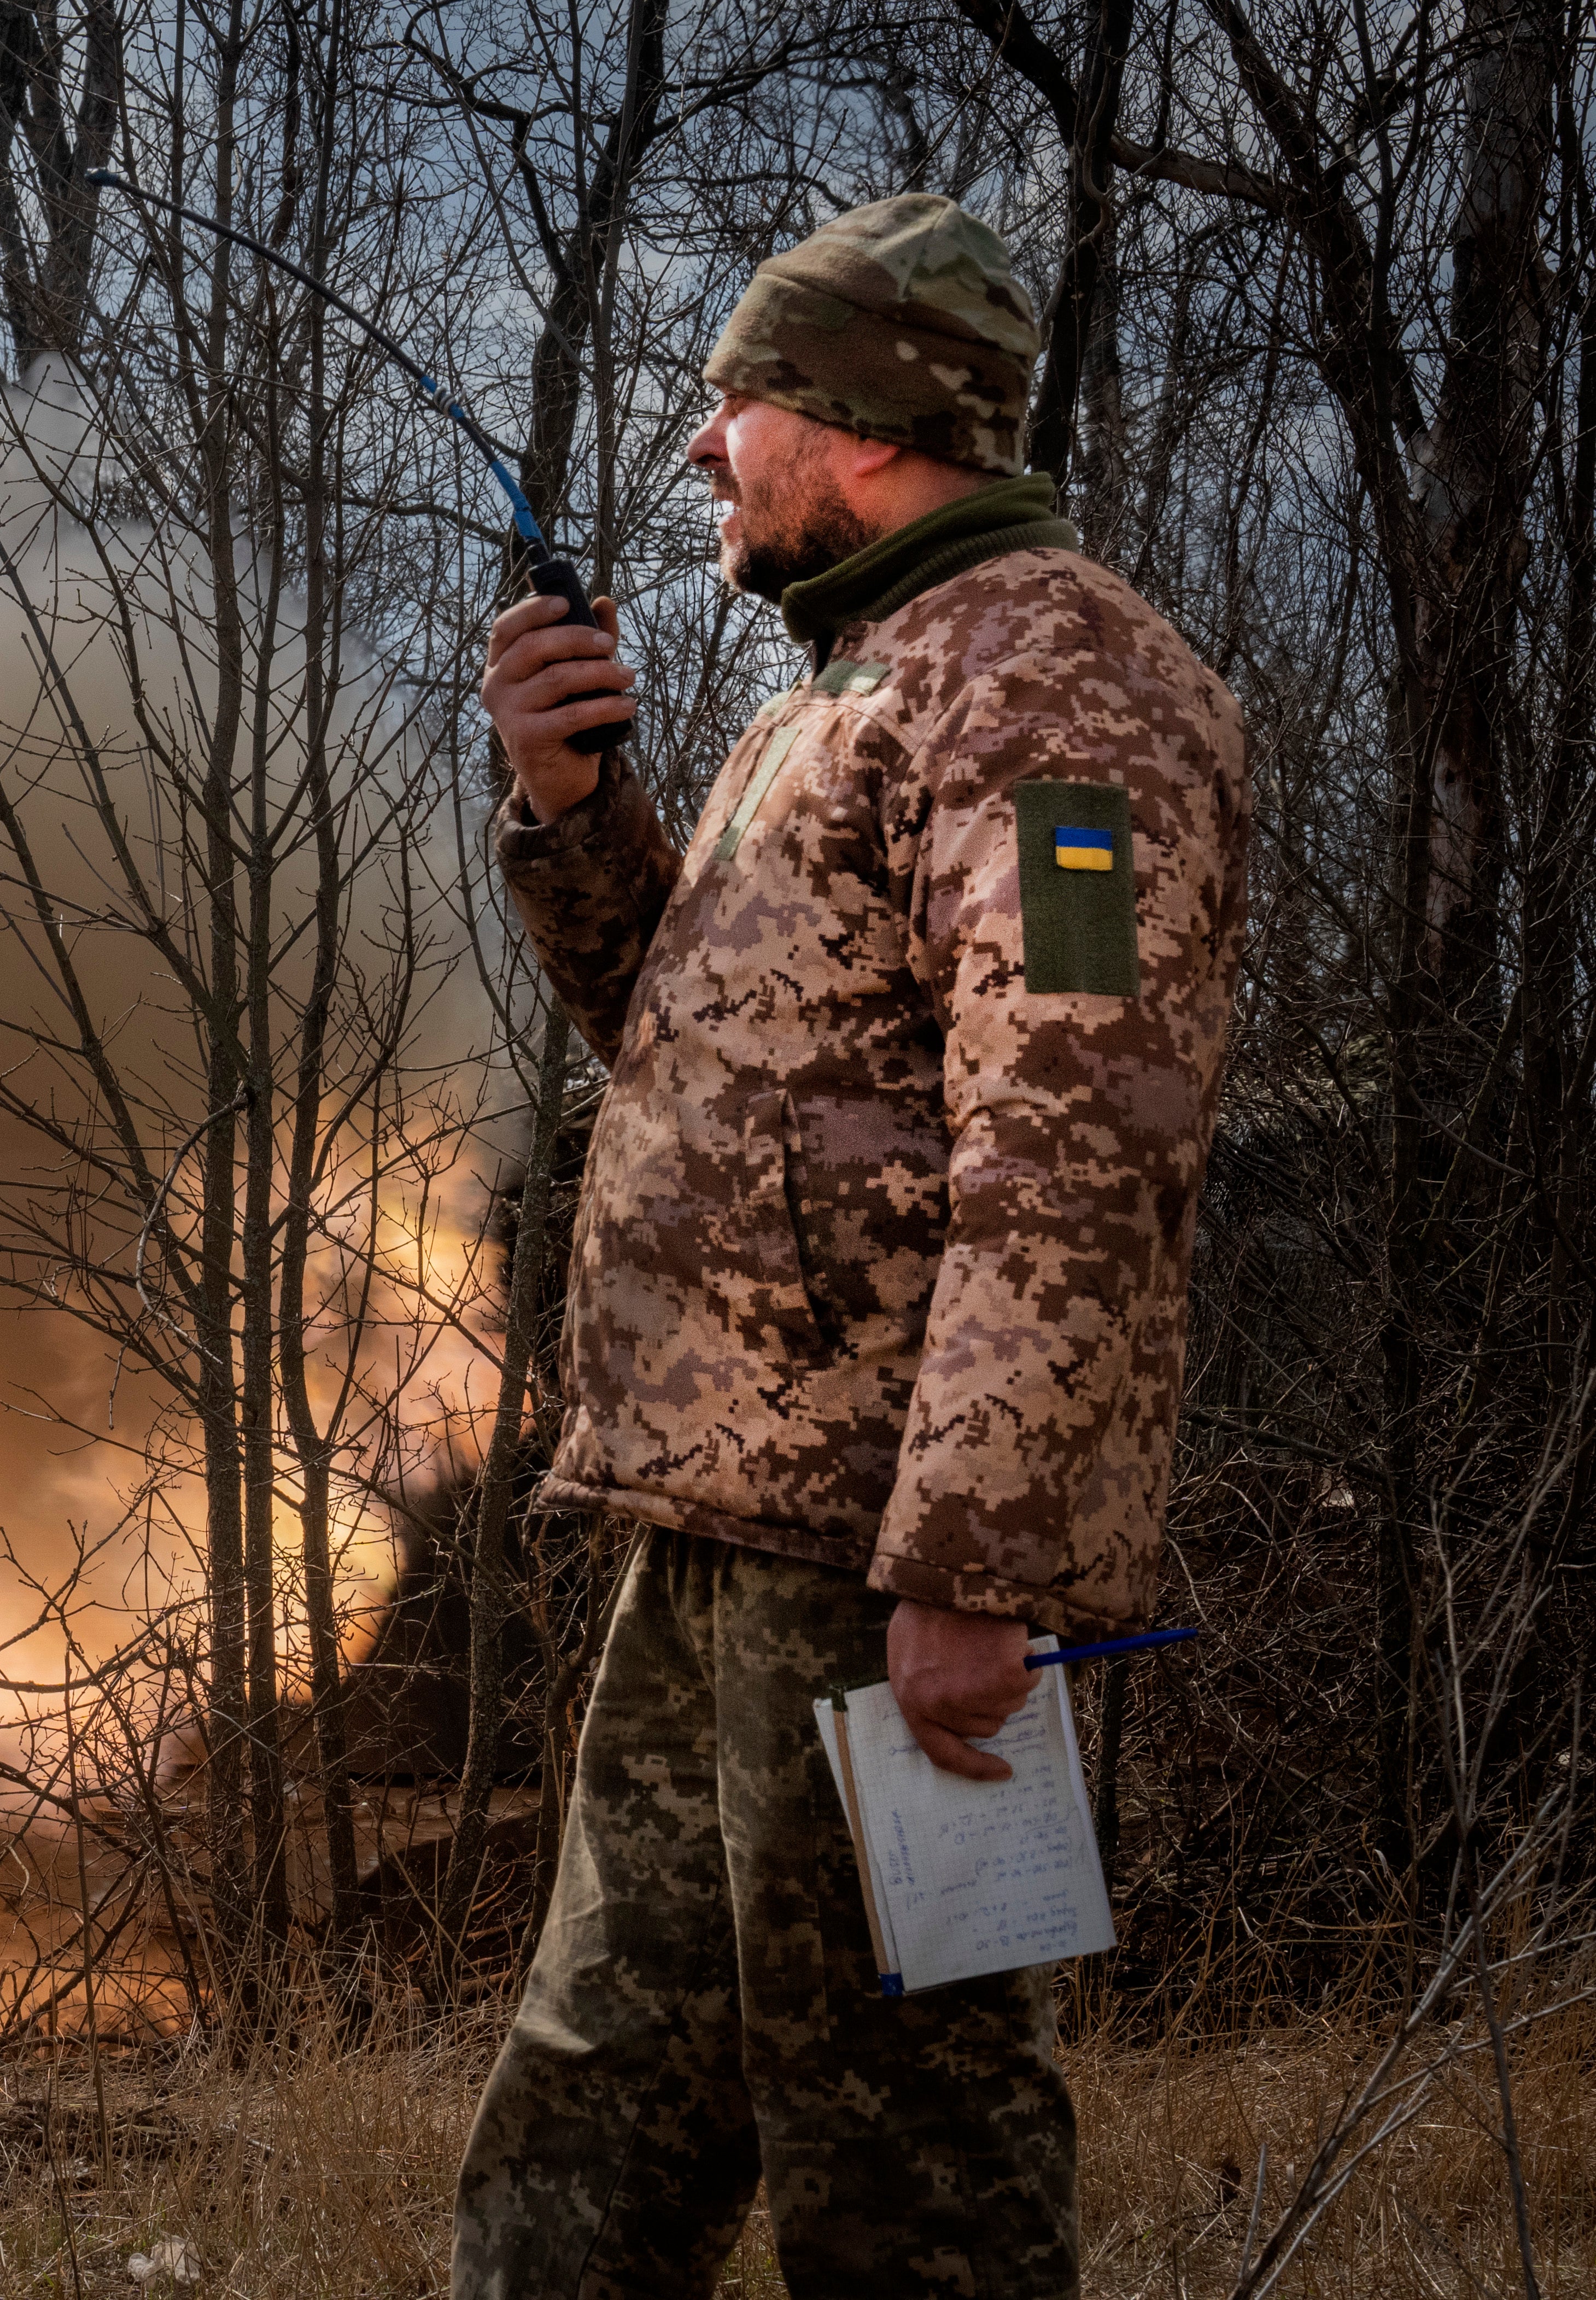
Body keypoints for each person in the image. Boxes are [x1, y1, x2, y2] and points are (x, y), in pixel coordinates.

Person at [448, 195, 1249, 2297]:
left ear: (861, 422)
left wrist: (973, 1566)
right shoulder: (850, 692)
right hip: (716, 1530)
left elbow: (1079, 1141)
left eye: (736, 406)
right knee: (593, 2116)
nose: (705, 450)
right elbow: (700, 1064)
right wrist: (570, 805)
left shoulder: (1057, 692)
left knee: (908, 2166)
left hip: (878, 1562)